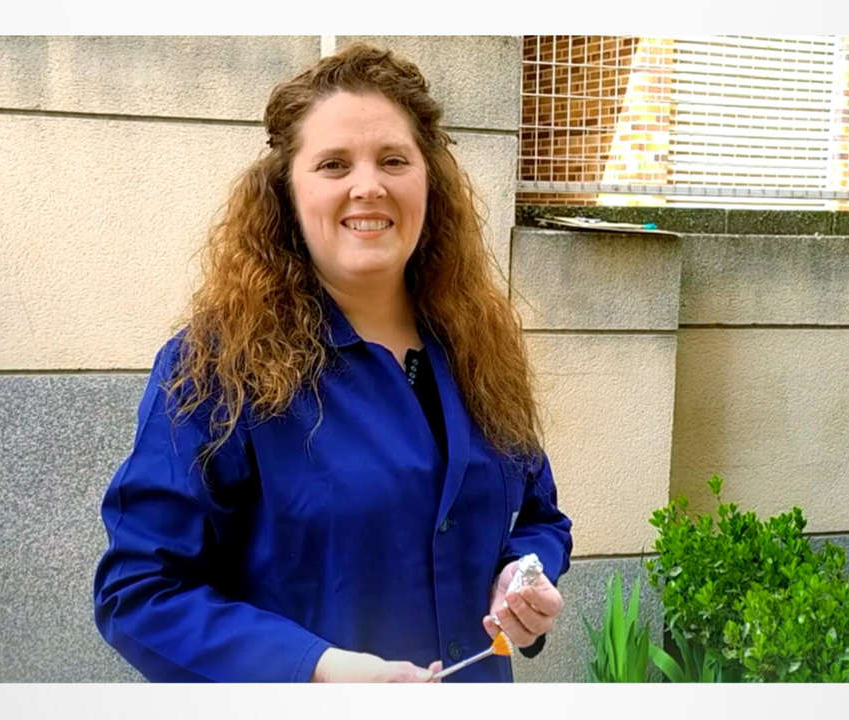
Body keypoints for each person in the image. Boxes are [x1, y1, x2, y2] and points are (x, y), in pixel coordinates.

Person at [93, 43, 572, 683]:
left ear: (429, 180)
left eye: (394, 160)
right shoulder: (217, 366)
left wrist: (522, 574)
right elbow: (140, 593)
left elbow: (540, 515)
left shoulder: (477, 345)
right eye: (333, 164)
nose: (368, 186)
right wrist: (317, 670)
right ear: (287, 192)